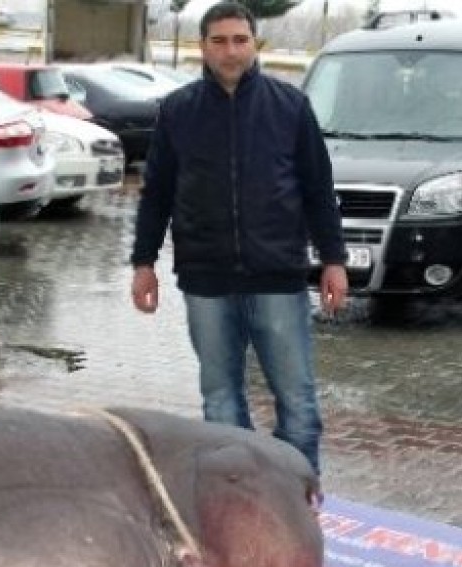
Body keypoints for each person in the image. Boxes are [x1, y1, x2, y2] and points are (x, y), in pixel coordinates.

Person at [129, 1, 348, 476]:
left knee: (297, 401)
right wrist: (143, 262)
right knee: (221, 402)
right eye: (220, 41)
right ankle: (240, 499)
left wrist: (333, 259)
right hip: (206, 280)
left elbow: (318, 190)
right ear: (202, 47)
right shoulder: (178, 111)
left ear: (255, 44)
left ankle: (300, 499)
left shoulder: (290, 107)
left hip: (278, 277)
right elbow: (157, 194)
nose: (231, 51)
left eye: (240, 40)